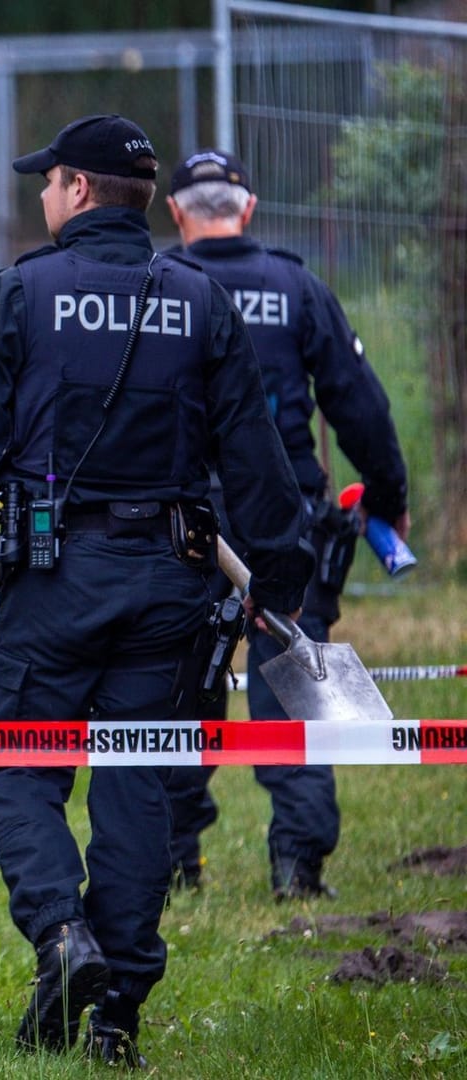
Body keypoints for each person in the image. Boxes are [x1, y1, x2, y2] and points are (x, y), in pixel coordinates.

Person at [0, 115, 312, 1067]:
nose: (41, 195)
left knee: (11, 760)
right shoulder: (202, 303)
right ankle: (115, 1011)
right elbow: (258, 456)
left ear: (79, 191)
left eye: (48, 182)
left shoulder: (16, 297)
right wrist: (278, 582)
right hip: (175, 583)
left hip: (55, 580)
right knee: (138, 788)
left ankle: (59, 936)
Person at [159, 149, 409, 900]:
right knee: (295, 681)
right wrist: (389, 495)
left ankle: (175, 863)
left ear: (175, 212)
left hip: (182, 519)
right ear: (249, 207)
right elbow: (358, 404)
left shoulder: (161, 288)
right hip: (284, 518)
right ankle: (296, 866)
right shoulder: (295, 286)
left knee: (174, 686)